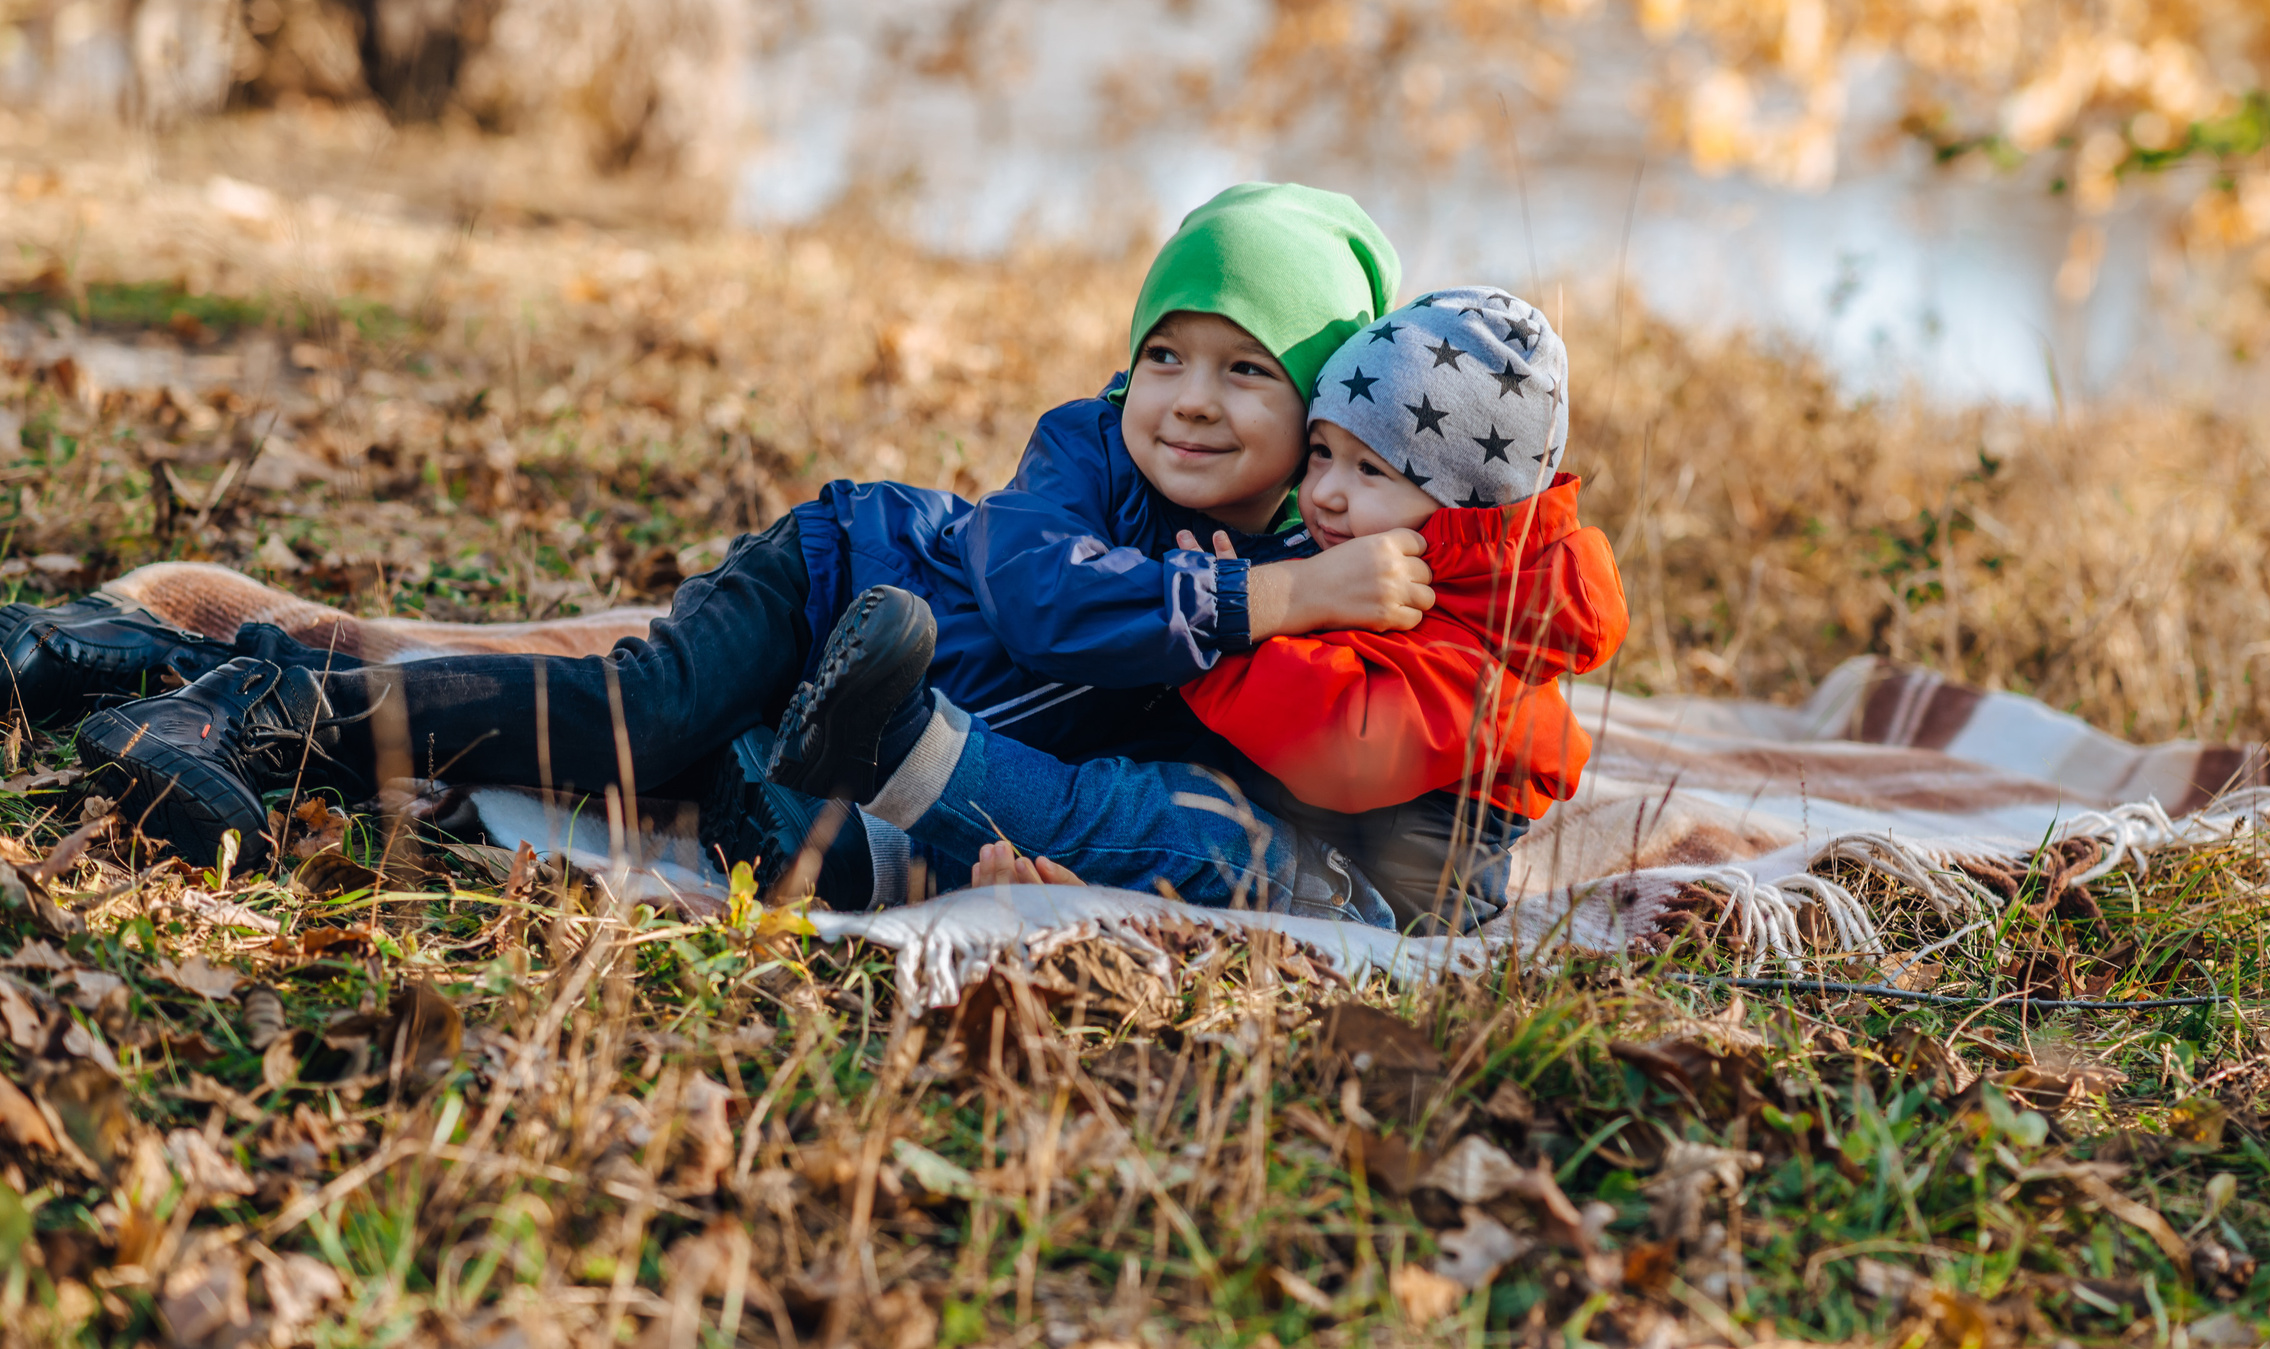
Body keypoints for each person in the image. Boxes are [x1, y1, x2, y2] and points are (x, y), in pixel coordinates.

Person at [67, 184, 1429, 902]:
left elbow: (1157, 764)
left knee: (757, 810)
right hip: (833, 580)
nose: (1188, 399)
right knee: (640, 713)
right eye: (1165, 354)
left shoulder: (1290, 575)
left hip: (861, 717)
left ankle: (133, 666)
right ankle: (250, 713)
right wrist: (1281, 596)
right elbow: (1042, 606)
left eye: (1247, 371)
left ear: (1319, 410)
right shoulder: (1084, 451)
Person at [764, 288, 1626, 932]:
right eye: (1321, 454)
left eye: (1370, 471)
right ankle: (842, 842)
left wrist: (1221, 625)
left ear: (1467, 503)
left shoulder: (1495, 649)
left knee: (1175, 820)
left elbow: (1340, 745)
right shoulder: (1377, 560)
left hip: (1361, 898)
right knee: (1136, 800)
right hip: (1289, 835)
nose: (1325, 492)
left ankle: (901, 746)